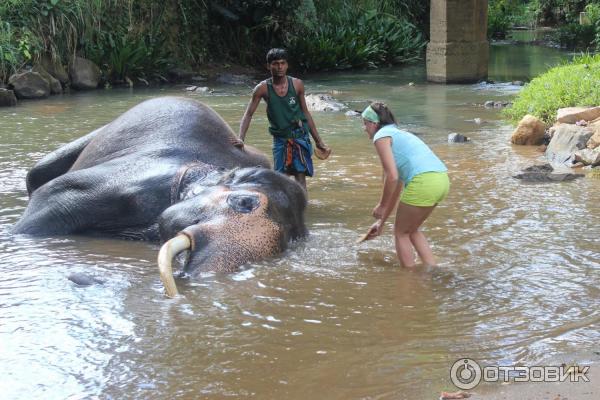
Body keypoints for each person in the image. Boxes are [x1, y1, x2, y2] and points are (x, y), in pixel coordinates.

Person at [362, 102, 449, 268]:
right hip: (441, 179)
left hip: (423, 182)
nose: (364, 128)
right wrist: (381, 222)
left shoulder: (380, 137)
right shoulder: (399, 134)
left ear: (373, 124)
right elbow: (397, 185)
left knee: (401, 233)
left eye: (365, 123)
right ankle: (432, 269)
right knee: (412, 230)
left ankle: (409, 278)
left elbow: (392, 177)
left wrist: (381, 205)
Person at [232, 48, 329, 191]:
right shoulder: (262, 89)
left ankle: (300, 210)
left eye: (283, 63)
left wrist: (319, 141)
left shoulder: (297, 85)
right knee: (280, 179)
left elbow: (306, 113)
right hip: (280, 139)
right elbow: (248, 114)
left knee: (300, 177)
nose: (279, 67)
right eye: (275, 64)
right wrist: (241, 138)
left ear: (287, 65)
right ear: (268, 66)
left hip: (299, 136)